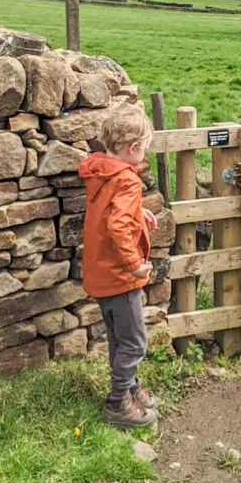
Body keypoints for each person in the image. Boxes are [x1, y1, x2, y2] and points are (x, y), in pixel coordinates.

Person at [78, 104, 159, 429]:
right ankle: (117, 403)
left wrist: (140, 214)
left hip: (99, 271)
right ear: (134, 148)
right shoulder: (126, 180)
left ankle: (128, 387)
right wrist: (135, 265)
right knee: (135, 341)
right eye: (145, 148)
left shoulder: (101, 171)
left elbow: (111, 213)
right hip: (119, 275)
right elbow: (117, 226)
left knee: (119, 338)